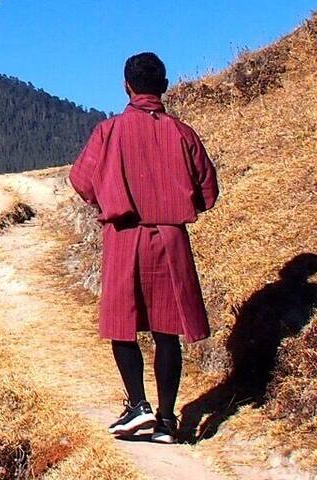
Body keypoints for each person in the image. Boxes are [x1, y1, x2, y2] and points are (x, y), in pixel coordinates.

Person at [69, 52, 220, 445]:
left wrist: (108, 197)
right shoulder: (183, 133)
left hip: (124, 234)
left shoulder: (109, 131)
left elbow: (81, 180)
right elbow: (208, 191)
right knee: (166, 331)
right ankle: (168, 420)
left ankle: (138, 405)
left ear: (126, 86)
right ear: (164, 86)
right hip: (171, 238)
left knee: (123, 325)